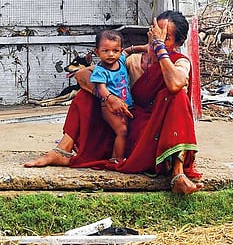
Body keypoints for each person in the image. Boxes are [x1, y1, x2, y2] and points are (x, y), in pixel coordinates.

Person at [25, 11, 203, 195]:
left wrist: (159, 48)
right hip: (125, 127)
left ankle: (177, 173)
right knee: (86, 95)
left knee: (177, 96)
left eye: (165, 37)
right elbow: (82, 75)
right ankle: (62, 151)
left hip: (155, 135)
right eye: (154, 32)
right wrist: (109, 97)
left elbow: (174, 84)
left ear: (179, 42)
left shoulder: (179, 62)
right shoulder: (131, 61)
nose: (155, 38)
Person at [90, 29, 133, 163]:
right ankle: (118, 159)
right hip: (109, 108)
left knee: (129, 130)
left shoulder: (120, 61)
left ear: (120, 51)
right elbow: (101, 88)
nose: (111, 54)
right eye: (105, 51)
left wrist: (143, 47)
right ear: (96, 52)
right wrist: (110, 99)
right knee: (122, 131)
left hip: (127, 106)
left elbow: (128, 52)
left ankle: (116, 155)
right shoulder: (100, 70)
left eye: (115, 51)